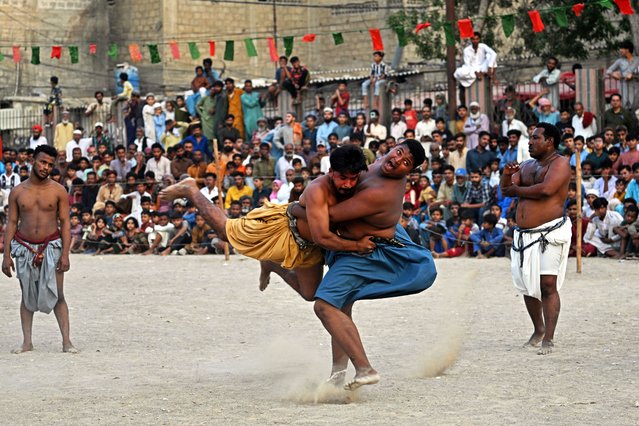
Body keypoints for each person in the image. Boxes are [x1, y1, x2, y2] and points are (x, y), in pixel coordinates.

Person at [501, 123, 571, 355]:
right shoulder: (528, 164)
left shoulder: (560, 163)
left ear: (549, 141)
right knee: (527, 286)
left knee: (547, 284)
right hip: (524, 235)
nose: (529, 142)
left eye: (535, 138)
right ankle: (538, 329)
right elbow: (506, 190)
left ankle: (549, 338)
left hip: (549, 232)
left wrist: (516, 189)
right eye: (530, 138)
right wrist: (507, 176)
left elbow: (546, 190)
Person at [2, 145, 77, 354]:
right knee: (26, 295)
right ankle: (27, 342)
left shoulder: (58, 190)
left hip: (51, 246)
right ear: (33, 160)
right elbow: (12, 223)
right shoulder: (18, 192)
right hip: (24, 248)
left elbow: (65, 223)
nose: (46, 167)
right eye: (43, 162)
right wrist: (6, 255)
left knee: (59, 294)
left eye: (50, 165)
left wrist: (65, 254)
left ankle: (66, 342)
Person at [606, 41, 639, 110]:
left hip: (636, 89)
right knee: (624, 109)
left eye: (621, 48)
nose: (620, 50)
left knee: (636, 109)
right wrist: (613, 74)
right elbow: (608, 71)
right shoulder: (619, 61)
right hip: (623, 89)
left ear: (627, 49)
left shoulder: (637, 60)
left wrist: (633, 76)